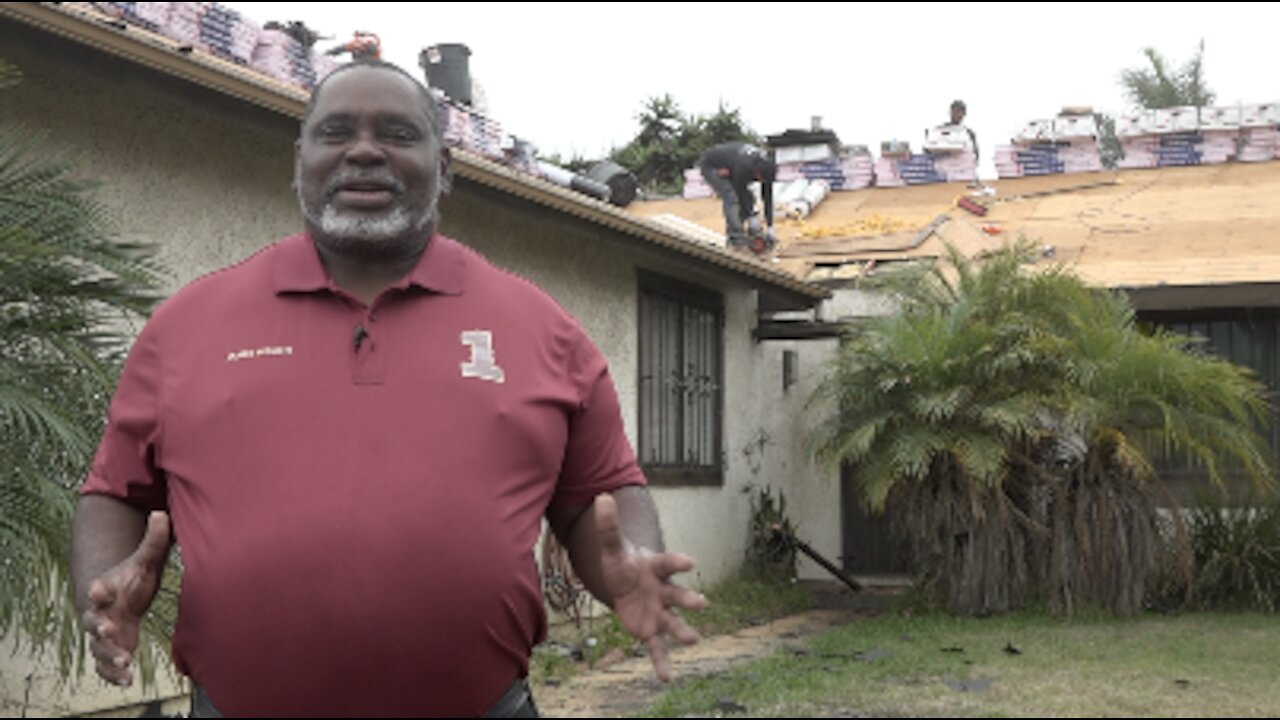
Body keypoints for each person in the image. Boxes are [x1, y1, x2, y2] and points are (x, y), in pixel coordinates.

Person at [71, 60, 707, 718]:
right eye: (336, 131)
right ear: (300, 161)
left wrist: (630, 562)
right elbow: (116, 493)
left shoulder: (545, 332)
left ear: (446, 167)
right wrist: (100, 589)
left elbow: (596, 502)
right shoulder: (189, 326)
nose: (365, 150)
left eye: (399, 133)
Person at [697, 141, 777, 254]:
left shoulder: (766, 168)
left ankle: (748, 234)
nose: (761, 182)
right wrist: (751, 217)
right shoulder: (744, 167)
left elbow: (767, 197)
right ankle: (736, 239)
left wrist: (770, 226)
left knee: (749, 198)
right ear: (756, 171)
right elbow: (740, 192)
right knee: (732, 198)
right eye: (760, 179)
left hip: (730, 167)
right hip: (712, 166)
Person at [947, 99, 979, 164]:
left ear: (964, 114)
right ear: (950, 112)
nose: (957, 114)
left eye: (960, 111)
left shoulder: (968, 133)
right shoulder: (940, 131)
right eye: (955, 111)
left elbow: (975, 157)